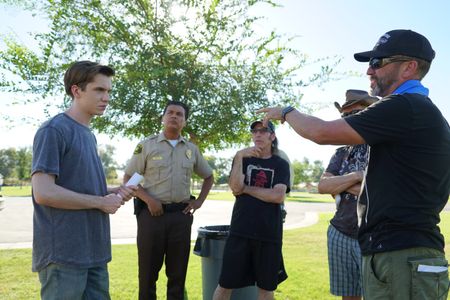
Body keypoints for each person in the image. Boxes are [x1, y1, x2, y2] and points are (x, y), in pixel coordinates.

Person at [257, 29, 450, 299]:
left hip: (400, 256)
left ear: (409, 67)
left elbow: (321, 132)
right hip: (400, 254)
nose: (369, 71)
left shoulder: (404, 107)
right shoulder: (415, 111)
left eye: (378, 62)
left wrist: (287, 112)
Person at [31, 60, 137, 299]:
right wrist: (101, 202)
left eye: (109, 91)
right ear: (76, 90)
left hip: (95, 251)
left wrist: (114, 191)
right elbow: (44, 192)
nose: (106, 97)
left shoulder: (88, 135)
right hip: (64, 255)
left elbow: (81, 187)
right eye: (99, 90)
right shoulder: (53, 130)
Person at [124, 100, 214, 300]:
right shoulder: (147, 146)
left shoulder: (191, 150)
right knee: (147, 273)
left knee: (177, 274)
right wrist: (148, 199)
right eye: (170, 113)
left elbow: (208, 177)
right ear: (163, 118)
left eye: (179, 114)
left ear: (184, 121)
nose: (174, 116)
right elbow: (129, 180)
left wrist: (198, 202)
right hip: (151, 216)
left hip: (180, 217)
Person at [213, 120, 290, 300]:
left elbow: (277, 196)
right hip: (240, 231)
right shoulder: (243, 159)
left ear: (272, 136)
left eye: (263, 131)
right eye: (254, 131)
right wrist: (239, 156)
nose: (258, 134)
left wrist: (246, 190)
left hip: (268, 234)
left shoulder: (280, 164)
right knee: (225, 284)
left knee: (266, 288)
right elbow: (234, 187)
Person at [318, 90, 378, 300]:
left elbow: (378, 189)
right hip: (340, 231)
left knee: (375, 294)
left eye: (356, 114)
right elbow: (323, 186)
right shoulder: (341, 152)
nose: (349, 121)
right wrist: (357, 175)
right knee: (348, 296)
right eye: (345, 116)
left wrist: (340, 184)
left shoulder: (381, 148)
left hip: (374, 236)